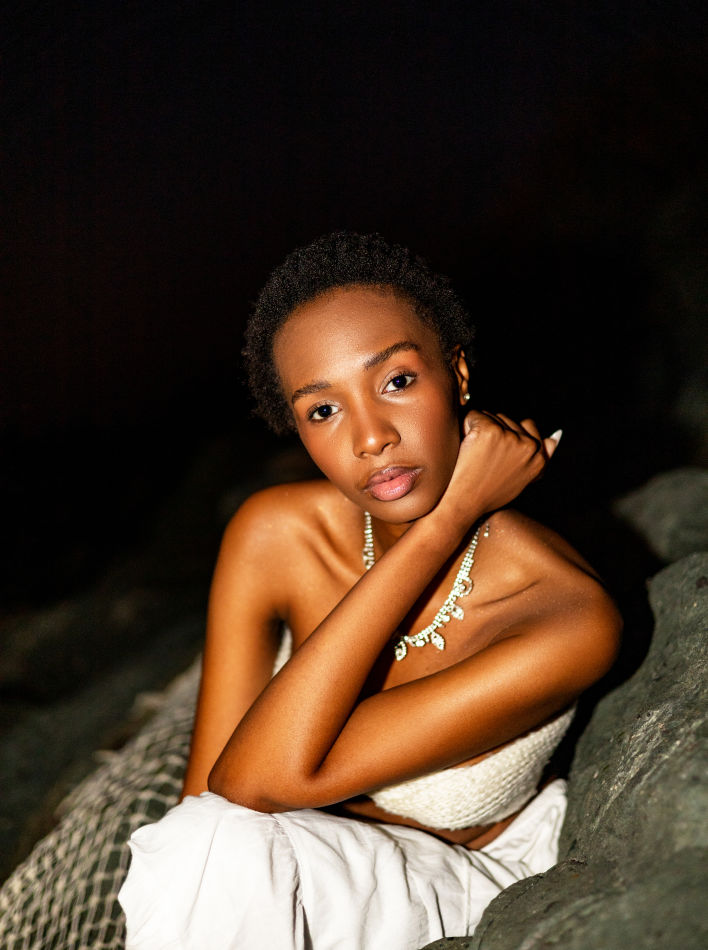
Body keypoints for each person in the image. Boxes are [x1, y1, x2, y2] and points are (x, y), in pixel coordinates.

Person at [118, 231, 621, 948]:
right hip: (283, 870)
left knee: (216, 847)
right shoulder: (276, 535)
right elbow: (211, 799)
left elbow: (254, 784)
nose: (371, 438)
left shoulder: (563, 614)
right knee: (205, 844)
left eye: (397, 381)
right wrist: (442, 525)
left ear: (459, 375)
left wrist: (446, 524)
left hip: (468, 886)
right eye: (323, 411)